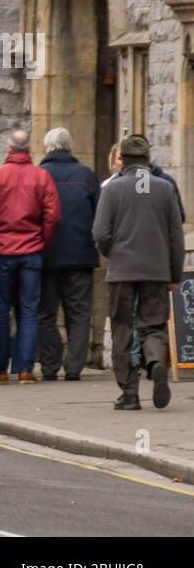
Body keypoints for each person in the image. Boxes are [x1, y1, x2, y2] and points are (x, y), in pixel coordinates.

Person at [93, 135, 182, 410]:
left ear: (125, 161)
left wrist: (114, 254)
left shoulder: (112, 189)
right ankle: (155, 362)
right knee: (153, 324)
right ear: (146, 160)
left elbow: (100, 233)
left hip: (122, 270)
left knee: (122, 327)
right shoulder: (165, 188)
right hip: (156, 270)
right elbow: (175, 237)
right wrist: (175, 274)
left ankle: (130, 393)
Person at [0, 130, 61, 384]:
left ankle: (1, 368)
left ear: (9, 148)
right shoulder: (41, 176)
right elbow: (53, 215)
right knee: (29, 310)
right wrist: (42, 240)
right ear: (29, 149)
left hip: (3, 252)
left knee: (0, 310)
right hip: (31, 251)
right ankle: (25, 369)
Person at [37, 128, 99, 381]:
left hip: (46, 256)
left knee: (45, 314)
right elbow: (100, 216)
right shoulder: (86, 175)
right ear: (70, 147)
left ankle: (50, 365)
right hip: (81, 256)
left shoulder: (40, 175)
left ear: (48, 148)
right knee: (80, 314)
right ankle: (74, 367)